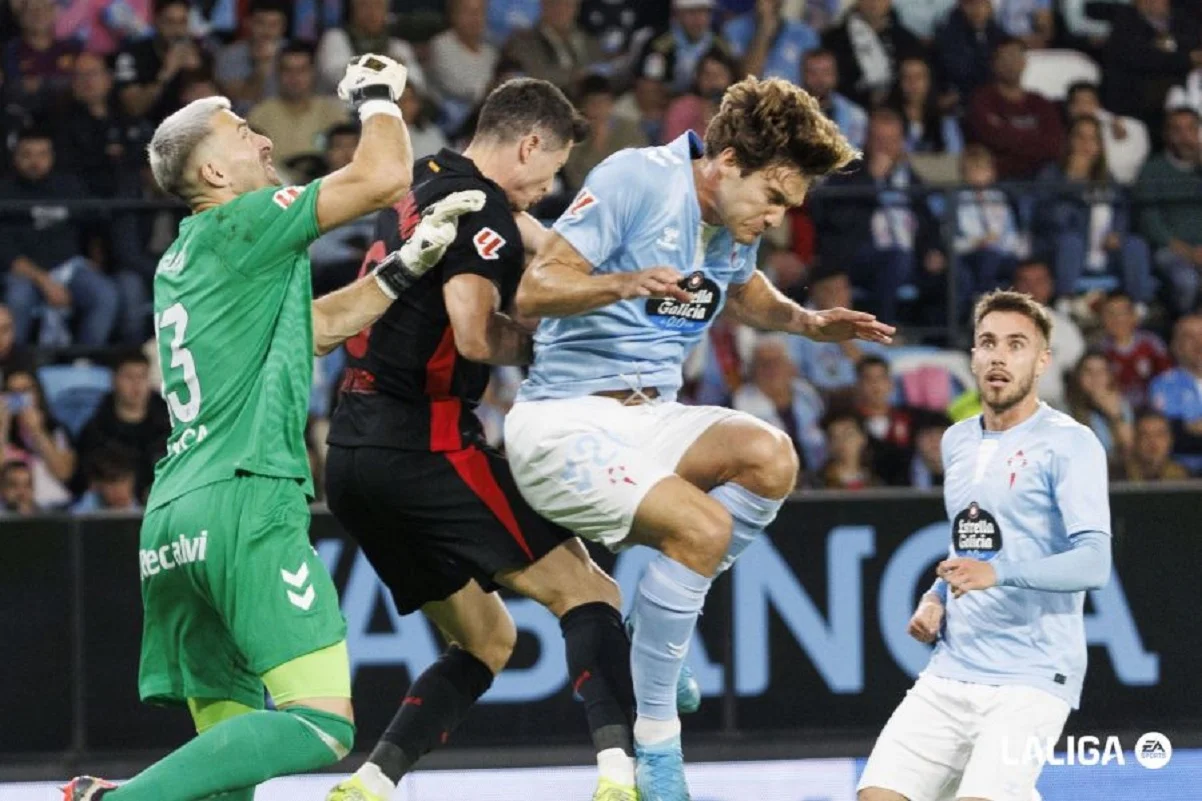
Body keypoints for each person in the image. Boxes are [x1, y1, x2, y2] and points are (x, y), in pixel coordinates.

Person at [62, 54, 481, 801]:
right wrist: (378, 95)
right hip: (245, 502)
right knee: (322, 724)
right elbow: (385, 175)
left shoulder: (185, 254)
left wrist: (398, 273)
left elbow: (309, 330)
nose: (262, 140)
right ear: (214, 174)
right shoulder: (246, 219)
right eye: (242, 132)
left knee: (225, 784)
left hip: (174, 519)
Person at [503, 76, 894, 799]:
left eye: (788, 207)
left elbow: (741, 289)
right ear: (729, 161)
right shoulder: (636, 178)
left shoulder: (732, 222)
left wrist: (807, 322)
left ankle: (651, 626)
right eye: (773, 197)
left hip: (651, 418)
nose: (776, 218)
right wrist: (626, 282)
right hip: (562, 419)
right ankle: (658, 748)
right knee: (705, 527)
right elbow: (535, 290)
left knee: (771, 457)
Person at [322, 78, 641, 801]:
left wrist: (595, 269)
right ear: (528, 145)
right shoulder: (485, 209)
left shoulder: (427, 178)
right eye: (551, 169)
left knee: (488, 639)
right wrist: (551, 345)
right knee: (589, 591)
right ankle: (621, 778)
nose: (548, 188)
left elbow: (529, 233)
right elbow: (472, 333)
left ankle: (369, 785)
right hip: (423, 443)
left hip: (351, 456)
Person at [857, 290, 1113, 801]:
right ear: (973, 356)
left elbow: (1094, 562)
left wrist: (999, 574)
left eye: (1016, 345)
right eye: (988, 343)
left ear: (1042, 361)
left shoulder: (1071, 442)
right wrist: (936, 596)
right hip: (952, 670)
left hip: (1032, 677)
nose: (999, 356)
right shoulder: (956, 441)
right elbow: (970, 544)